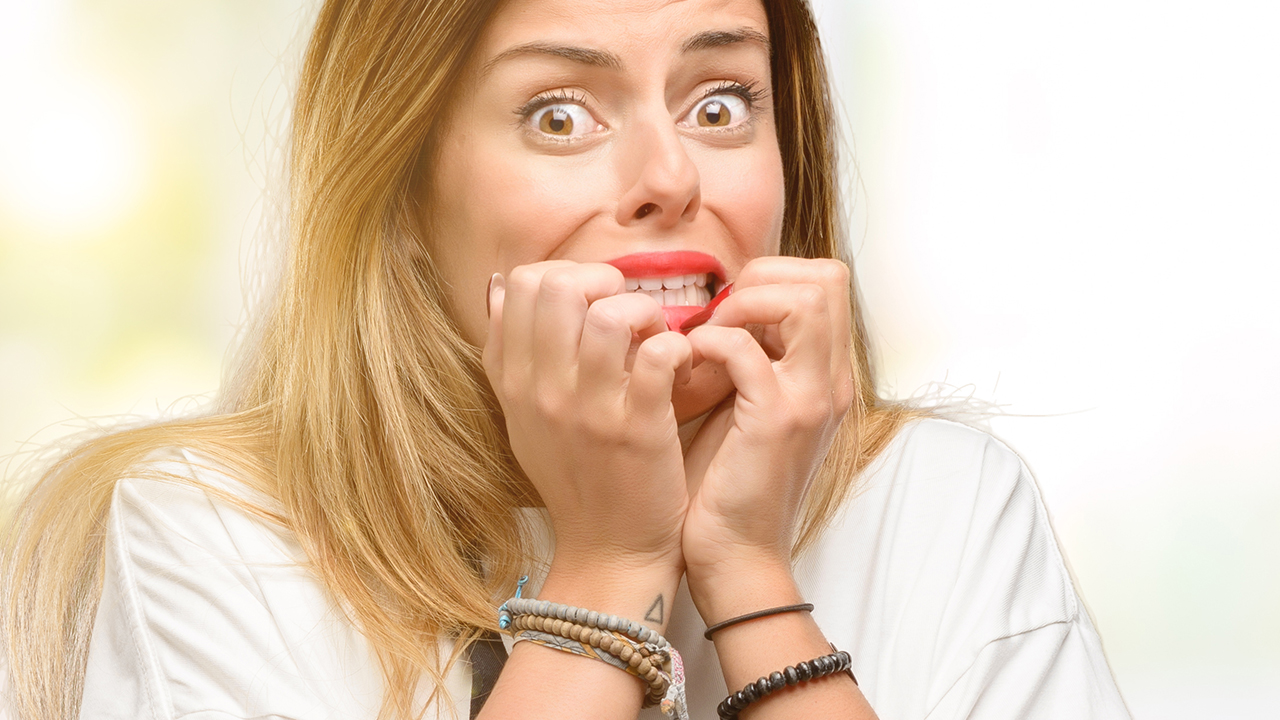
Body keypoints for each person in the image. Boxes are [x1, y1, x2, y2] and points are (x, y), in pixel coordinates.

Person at [1, 0, 1130, 718]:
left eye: (720, 103)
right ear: (404, 197)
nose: (669, 177)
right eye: (557, 115)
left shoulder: (947, 505)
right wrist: (607, 566)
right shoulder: (211, 534)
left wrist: (748, 574)